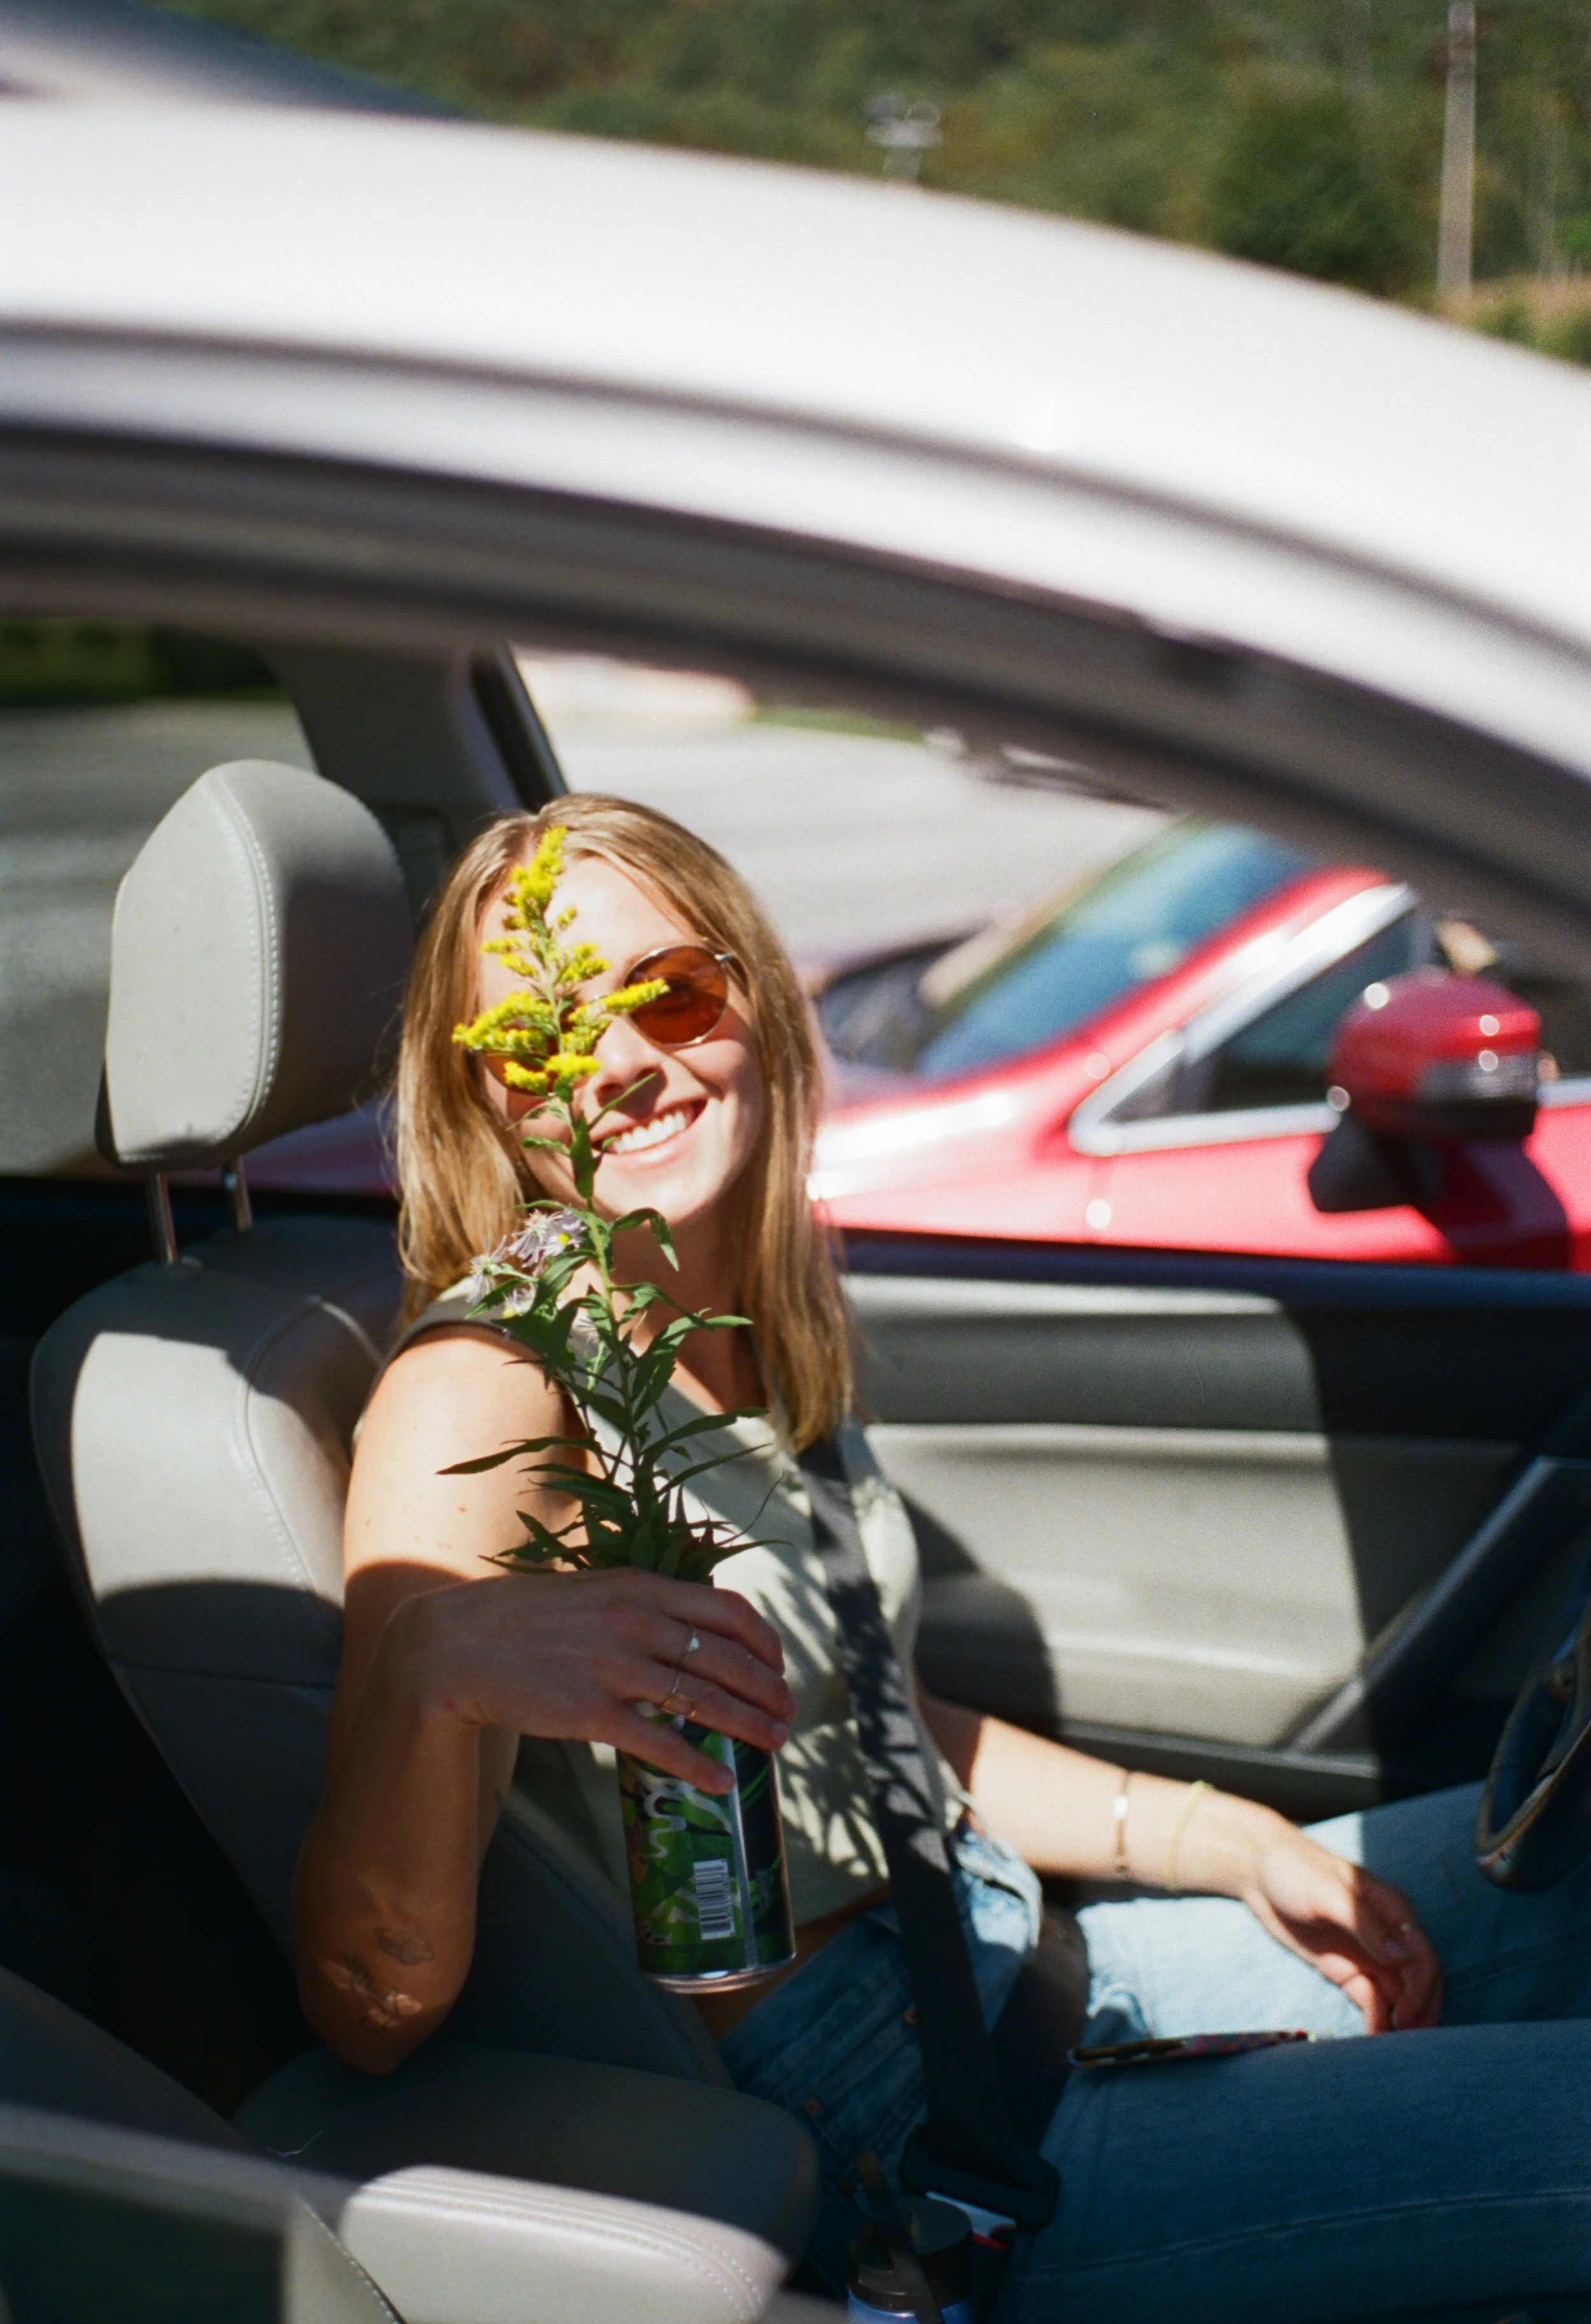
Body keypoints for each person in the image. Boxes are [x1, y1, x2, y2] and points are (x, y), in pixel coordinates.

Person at [297, 794, 1591, 2324]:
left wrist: (1207, 1830)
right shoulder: (483, 1388)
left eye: (668, 992)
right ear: (484, 1101)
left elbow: (876, 1727)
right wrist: (429, 1676)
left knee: (1565, 1859)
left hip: (1004, 1963)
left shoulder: (723, 1320)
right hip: (910, 2147)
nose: (621, 1064)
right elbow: (367, 2012)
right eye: (538, 1047)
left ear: (758, 999)